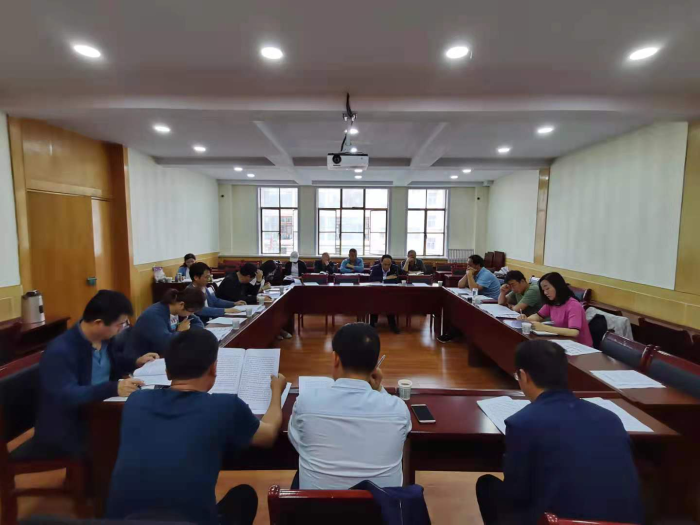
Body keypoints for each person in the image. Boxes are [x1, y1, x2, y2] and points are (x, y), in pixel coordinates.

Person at [106, 329, 287, 525]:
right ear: (213, 369)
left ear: (167, 372)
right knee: (245, 497)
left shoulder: (136, 401)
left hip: (123, 521)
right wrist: (276, 391)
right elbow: (268, 434)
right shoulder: (225, 406)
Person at [476, 340, 643, 524]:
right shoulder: (611, 419)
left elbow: (515, 494)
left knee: (488, 486)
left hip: (558, 521)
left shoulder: (522, 423)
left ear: (523, 376)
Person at [33, 290, 158, 457]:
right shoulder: (61, 351)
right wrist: (113, 388)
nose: (122, 329)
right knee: (136, 438)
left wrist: (136, 362)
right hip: (70, 425)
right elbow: (66, 395)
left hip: (100, 410)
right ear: (99, 323)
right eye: (120, 324)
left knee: (149, 425)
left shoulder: (105, 339)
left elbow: (111, 362)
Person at [288, 323, 411, 489]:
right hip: (381, 505)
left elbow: (299, 442)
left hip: (317, 505)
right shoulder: (398, 410)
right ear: (375, 365)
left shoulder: (306, 404)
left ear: (335, 359)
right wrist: (379, 390)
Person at [520, 272, 593, 347]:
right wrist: (526, 319)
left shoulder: (574, 305)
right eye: (543, 290)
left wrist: (544, 328)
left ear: (557, 287)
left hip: (580, 346)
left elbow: (574, 332)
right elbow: (538, 316)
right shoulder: (553, 302)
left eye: (547, 288)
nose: (545, 292)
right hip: (562, 341)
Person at [129, 288, 205, 358]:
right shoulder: (154, 315)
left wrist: (184, 333)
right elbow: (165, 344)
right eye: (191, 312)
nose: (191, 314)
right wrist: (181, 332)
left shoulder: (179, 310)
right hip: (146, 358)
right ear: (182, 304)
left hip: (165, 354)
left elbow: (199, 324)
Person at [368, 254, 401, 334]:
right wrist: (385, 278)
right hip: (377, 292)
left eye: (389, 264)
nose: (387, 266)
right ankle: (372, 324)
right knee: (374, 302)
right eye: (385, 264)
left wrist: (381, 280)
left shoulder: (395, 268)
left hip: (390, 292)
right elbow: (371, 279)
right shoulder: (375, 268)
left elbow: (396, 280)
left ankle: (392, 324)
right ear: (381, 262)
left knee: (390, 303)